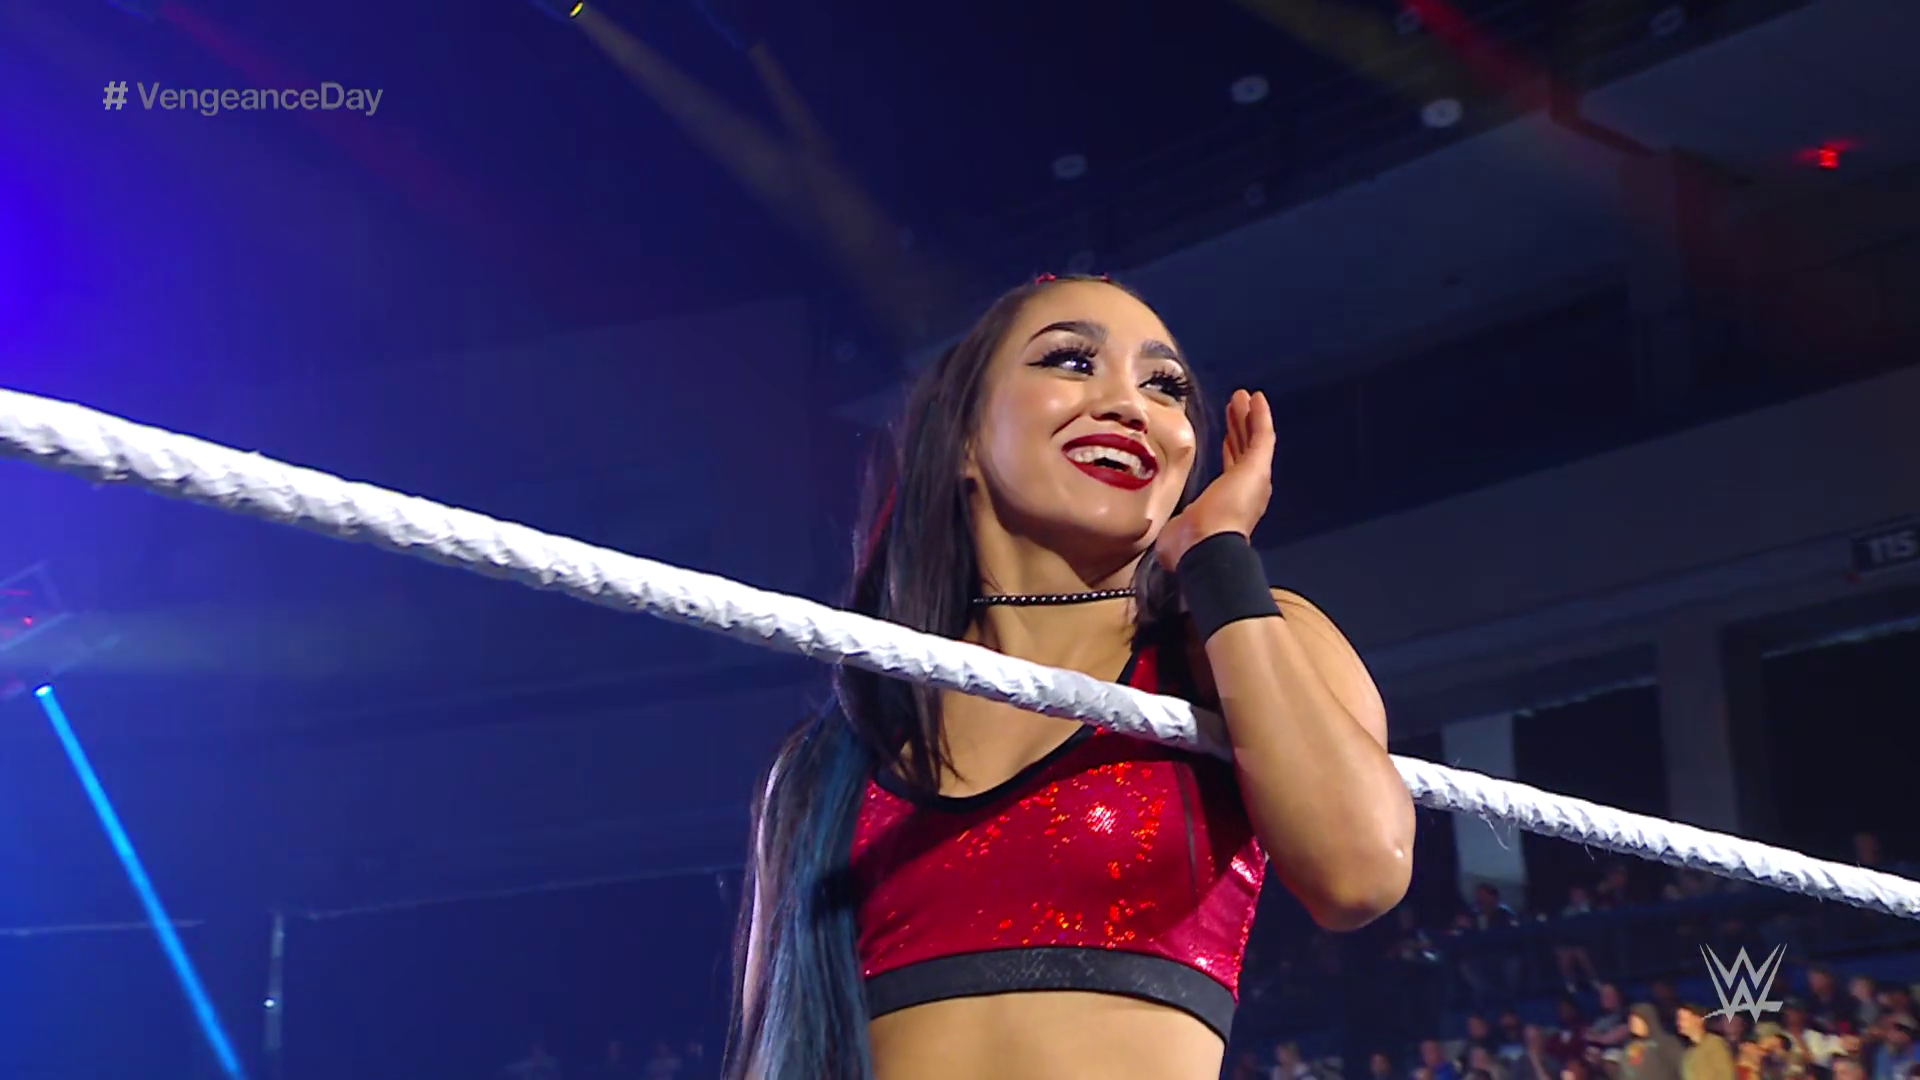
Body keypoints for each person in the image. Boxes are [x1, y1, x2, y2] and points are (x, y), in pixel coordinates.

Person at [724, 275, 1415, 1080]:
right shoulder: (830, 762)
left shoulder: (1236, 644)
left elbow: (1360, 871)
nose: (1130, 405)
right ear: (964, 439)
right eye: (1071, 362)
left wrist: (1216, 556)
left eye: (1165, 386)